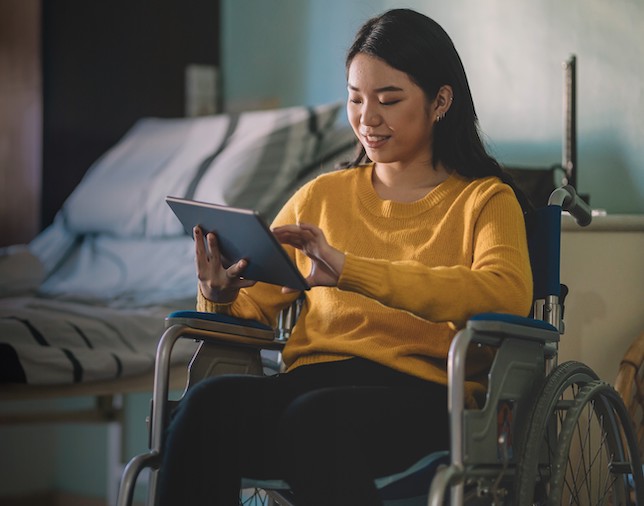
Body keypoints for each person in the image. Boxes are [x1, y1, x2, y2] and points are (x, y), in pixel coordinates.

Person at [155, 8, 534, 505]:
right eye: (356, 99)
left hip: (422, 394)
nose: (367, 118)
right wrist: (218, 295)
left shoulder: (485, 201)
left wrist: (354, 272)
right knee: (206, 405)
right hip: (314, 381)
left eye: (389, 99)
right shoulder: (323, 195)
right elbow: (252, 313)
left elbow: (504, 295)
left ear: (441, 101)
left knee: (313, 419)